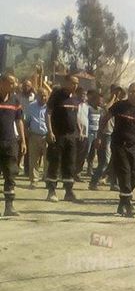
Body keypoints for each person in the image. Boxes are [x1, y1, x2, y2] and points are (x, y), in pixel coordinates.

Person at [97, 83, 135, 216]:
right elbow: (105, 119)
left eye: (134, 92)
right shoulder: (119, 106)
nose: (131, 94)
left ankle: (122, 204)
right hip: (119, 145)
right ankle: (128, 204)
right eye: (129, 91)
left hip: (134, 146)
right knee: (125, 172)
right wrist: (99, 137)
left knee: (133, 175)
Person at [45, 74, 81, 203]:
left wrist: (80, 129)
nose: (75, 85)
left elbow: (75, 116)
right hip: (58, 135)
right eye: (73, 82)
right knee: (55, 163)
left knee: (70, 163)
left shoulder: (76, 98)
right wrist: (50, 131)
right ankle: (52, 191)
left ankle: (68, 191)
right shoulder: (56, 95)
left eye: (77, 83)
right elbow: (48, 113)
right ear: (66, 82)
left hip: (71, 136)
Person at [0, 74, 26, 216]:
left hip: (10, 142)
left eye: (14, 83)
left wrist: (22, 140)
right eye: (10, 83)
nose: (13, 85)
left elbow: (19, 121)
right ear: (2, 83)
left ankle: (9, 207)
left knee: (10, 175)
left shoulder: (15, 100)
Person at [89, 85, 121, 191]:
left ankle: (113, 183)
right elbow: (107, 111)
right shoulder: (106, 104)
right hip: (105, 134)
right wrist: (113, 99)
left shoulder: (119, 104)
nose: (118, 94)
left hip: (114, 134)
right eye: (116, 91)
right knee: (105, 161)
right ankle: (94, 181)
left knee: (114, 160)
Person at [25, 88, 49, 189]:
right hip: (34, 135)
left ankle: (47, 179)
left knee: (48, 159)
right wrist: (27, 133)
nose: (43, 97)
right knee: (33, 159)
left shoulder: (50, 107)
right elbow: (27, 121)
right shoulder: (31, 106)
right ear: (37, 96)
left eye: (45, 95)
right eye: (41, 95)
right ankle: (34, 180)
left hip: (47, 136)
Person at [17, 80, 35, 175]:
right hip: (19, 123)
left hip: (30, 125)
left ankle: (27, 170)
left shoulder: (33, 97)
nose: (26, 87)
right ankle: (15, 168)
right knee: (18, 147)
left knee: (29, 148)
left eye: (28, 86)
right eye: (25, 86)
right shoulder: (18, 97)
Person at [85, 89, 103, 177]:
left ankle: (89, 169)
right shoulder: (89, 108)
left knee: (93, 152)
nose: (100, 102)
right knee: (86, 151)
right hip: (89, 133)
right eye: (99, 100)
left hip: (97, 133)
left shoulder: (100, 110)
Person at [74, 88, 89, 182]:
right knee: (75, 155)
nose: (84, 96)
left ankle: (77, 173)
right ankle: (72, 173)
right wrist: (79, 130)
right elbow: (76, 118)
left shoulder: (86, 106)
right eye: (82, 94)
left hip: (86, 134)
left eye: (85, 94)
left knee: (83, 155)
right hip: (77, 134)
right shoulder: (76, 104)